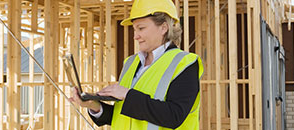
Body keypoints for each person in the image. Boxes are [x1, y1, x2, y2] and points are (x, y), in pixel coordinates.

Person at [69, 0, 204, 129]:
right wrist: (94, 105)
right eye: (134, 29)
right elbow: (123, 115)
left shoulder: (184, 63)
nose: (135, 36)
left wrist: (127, 94)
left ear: (163, 27)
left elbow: (174, 116)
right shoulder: (130, 63)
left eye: (141, 28)